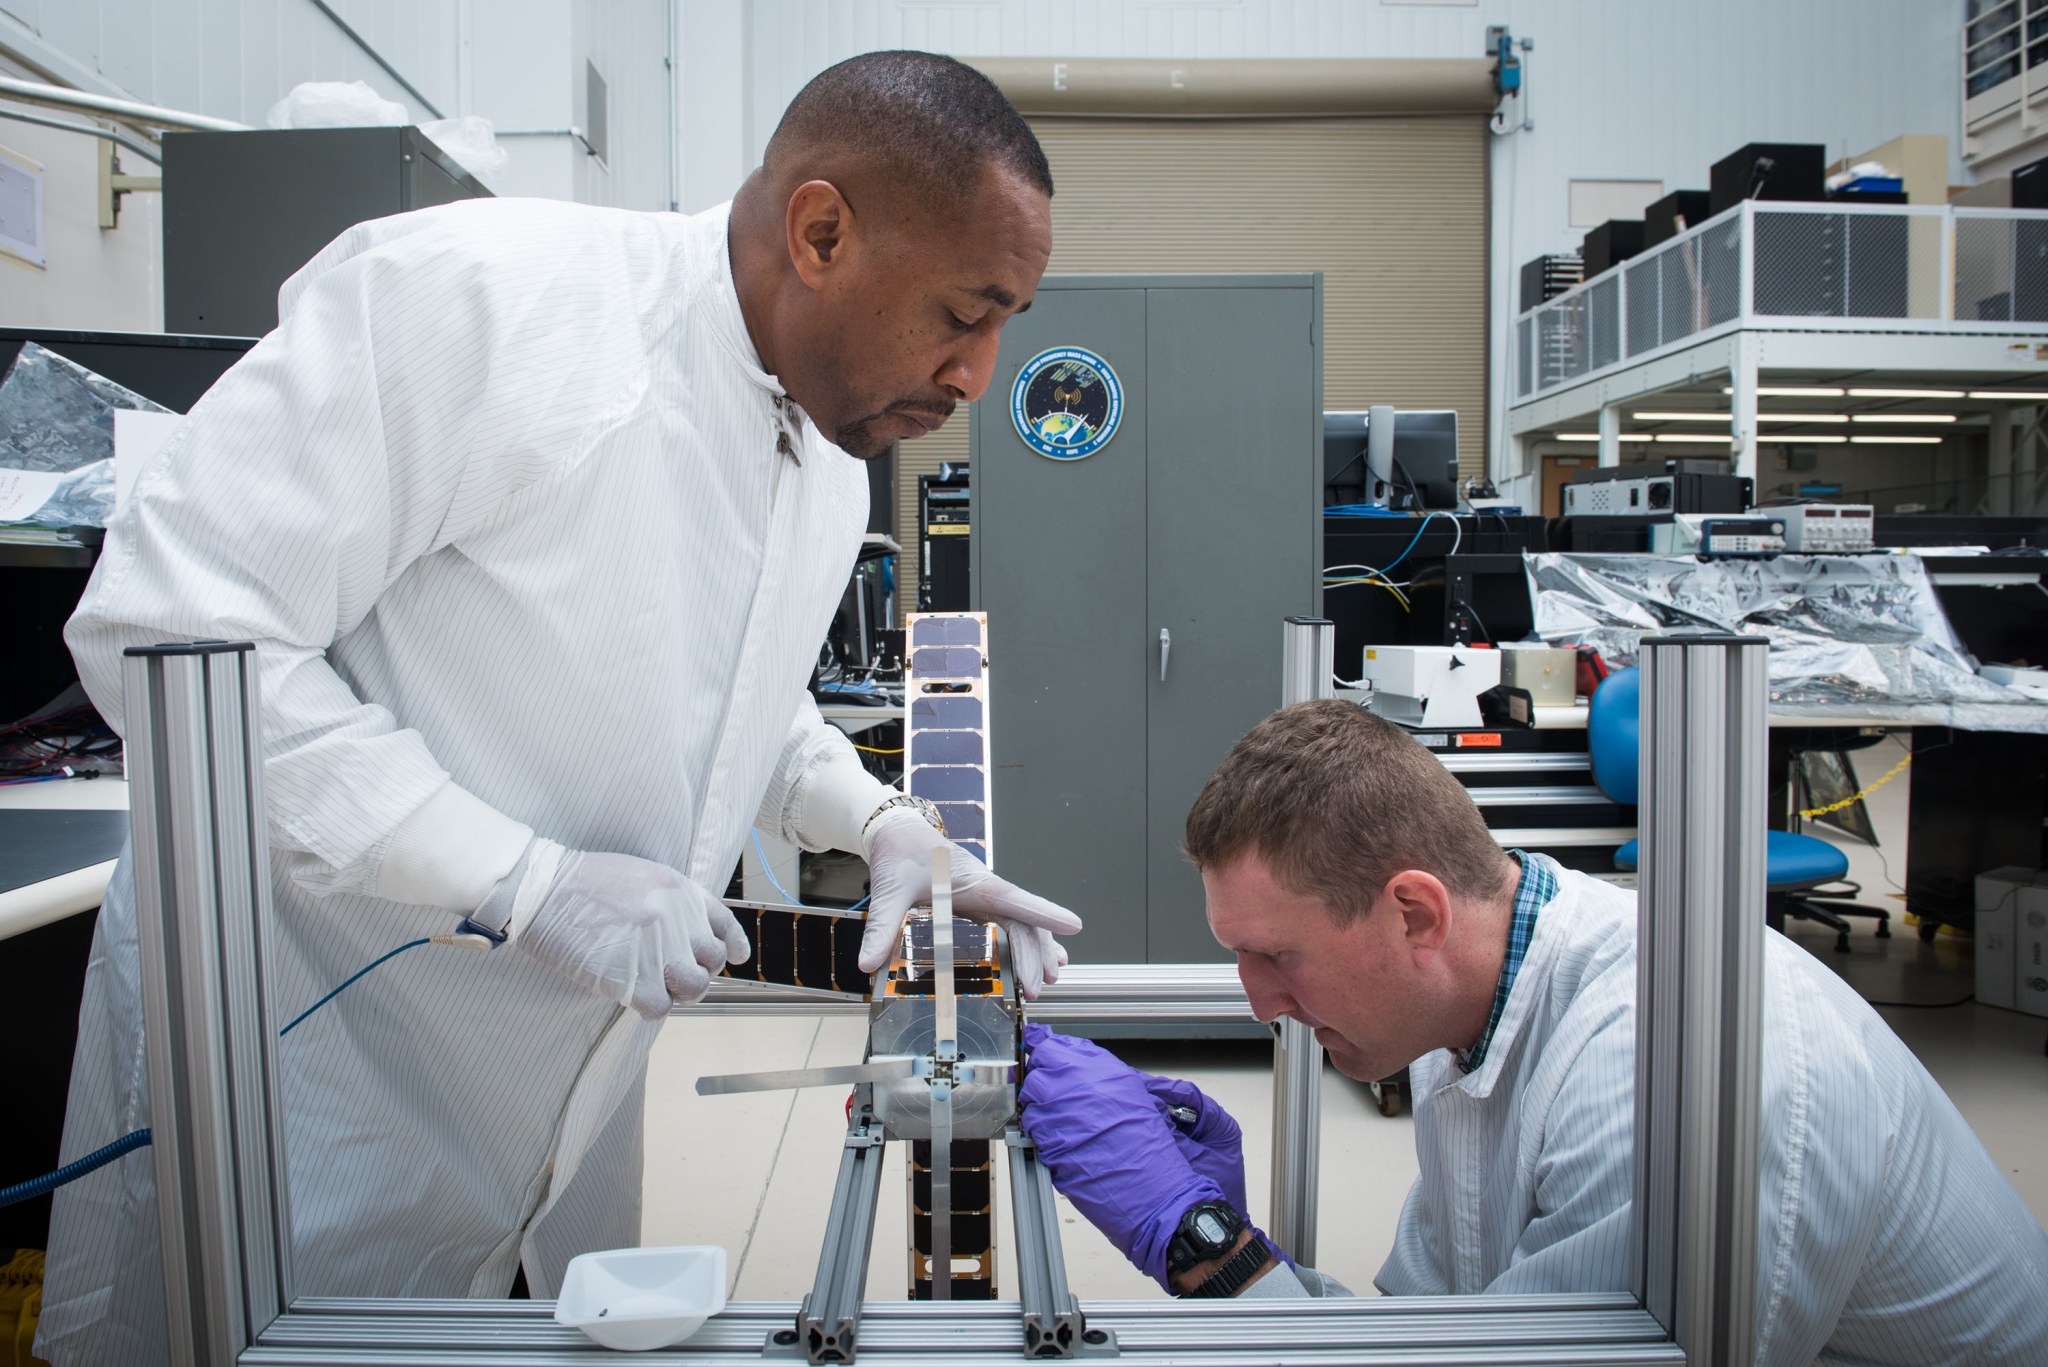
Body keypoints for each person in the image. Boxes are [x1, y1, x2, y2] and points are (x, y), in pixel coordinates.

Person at [39, 50, 1080, 1365]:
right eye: (967, 310)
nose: (983, 372)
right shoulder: (477, 305)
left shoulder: (827, 451)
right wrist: (526, 881)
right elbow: (168, 623)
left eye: (1009, 325)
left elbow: (737, 701)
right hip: (316, 1087)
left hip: (570, 1111)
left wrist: (876, 819)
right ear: (822, 231)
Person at [1020, 700, 2048, 1362]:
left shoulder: (1661, 1072)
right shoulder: (1463, 1016)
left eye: (1275, 956)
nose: (1255, 1002)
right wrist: (1240, 1250)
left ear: (1413, 912)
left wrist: (1211, 1252)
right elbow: (1429, 1341)